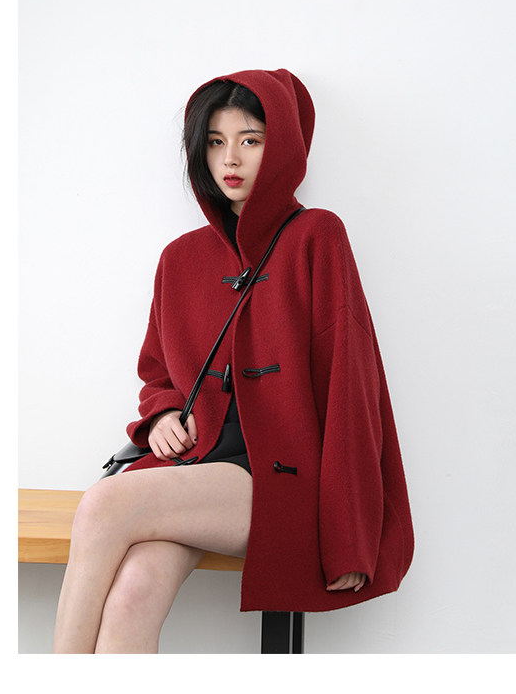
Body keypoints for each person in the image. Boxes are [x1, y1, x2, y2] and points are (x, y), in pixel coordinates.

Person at [52, 68, 414, 653]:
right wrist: (162, 415)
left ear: (284, 146)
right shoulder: (179, 259)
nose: (231, 158)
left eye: (251, 139)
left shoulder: (317, 236)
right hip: (196, 466)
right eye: (216, 141)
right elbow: (157, 372)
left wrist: (348, 533)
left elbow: (351, 386)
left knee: (102, 505)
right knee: (134, 591)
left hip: (280, 480)